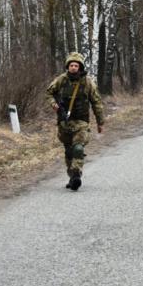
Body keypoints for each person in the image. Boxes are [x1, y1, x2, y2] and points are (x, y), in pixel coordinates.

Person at [46, 52, 105, 192]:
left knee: (78, 148)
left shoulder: (88, 82)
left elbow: (96, 102)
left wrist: (100, 121)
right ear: (68, 66)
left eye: (76, 65)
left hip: (81, 121)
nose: (73, 67)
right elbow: (48, 93)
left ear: (80, 67)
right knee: (68, 151)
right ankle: (72, 177)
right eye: (71, 65)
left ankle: (76, 173)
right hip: (64, 123)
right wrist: (54, 104)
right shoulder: (61, 80)